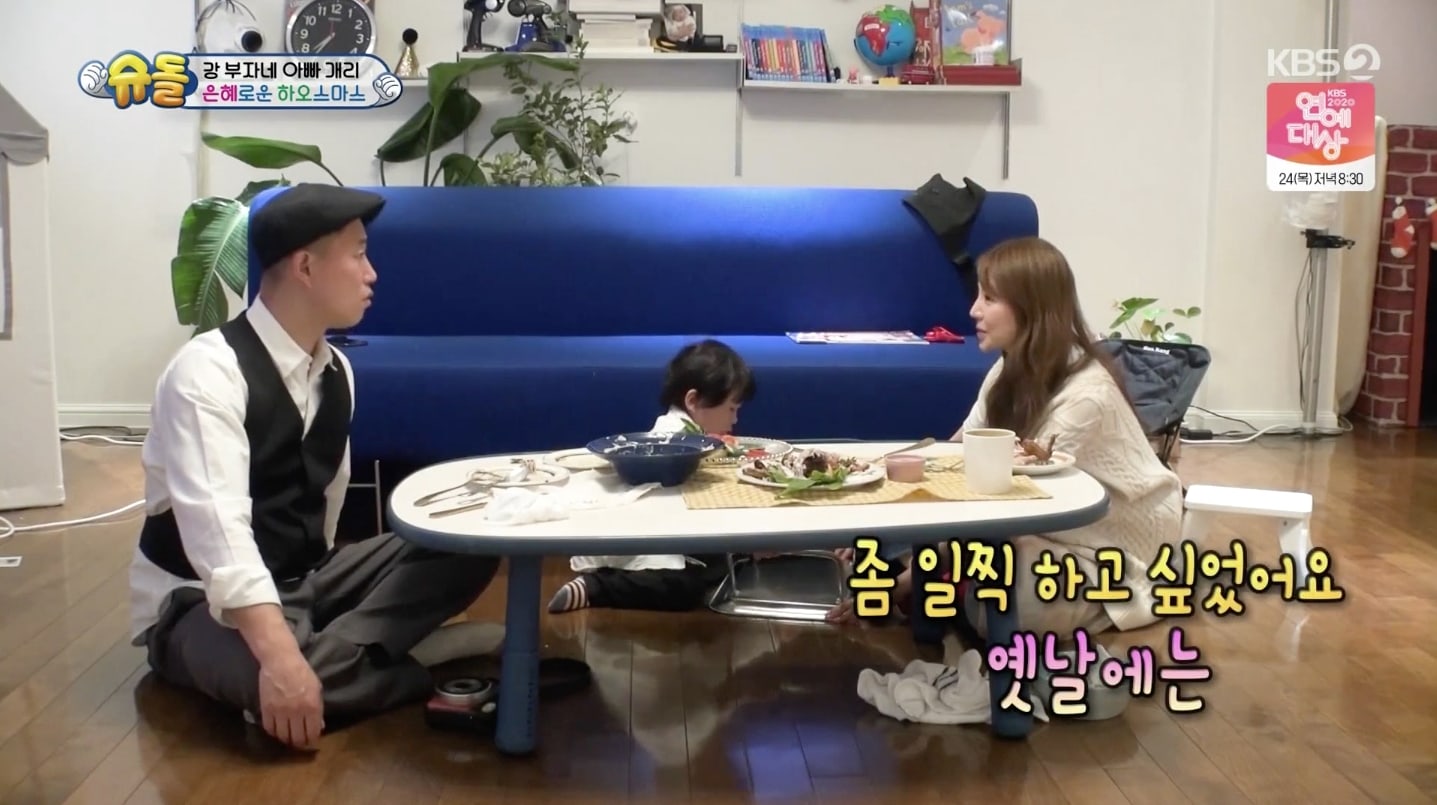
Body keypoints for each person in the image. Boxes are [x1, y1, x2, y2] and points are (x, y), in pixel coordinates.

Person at [128, 183, 503, 752]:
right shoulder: (206, 374)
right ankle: (397, 658)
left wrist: (313, 601)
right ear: (305, 267)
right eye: (359, 254)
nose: (372, 273)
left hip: (302, 580)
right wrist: (281, 659)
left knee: (468, 540)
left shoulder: (337, 373)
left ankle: (329, 656)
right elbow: (218, 538)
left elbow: (323, 517)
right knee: (274, 683)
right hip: (196, 601)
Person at [826, 236, 1184, 641]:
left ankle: (941, 587)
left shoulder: (1087, 396)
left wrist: (894, 588)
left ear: (1031, 308)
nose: (973, 310)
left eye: (990, 298)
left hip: (1110, 545)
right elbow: (952, 452)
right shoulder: (1008, 367)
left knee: (1006, 591)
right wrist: (875, 513)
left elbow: (1009, 508)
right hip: (1034, 522)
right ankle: (939, 582)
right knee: (902, 543)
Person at [547, 338, 757, 613]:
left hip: (669, 534)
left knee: (729, 560)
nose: (735, 420)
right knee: (687, 587)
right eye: (731, 408)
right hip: (644, 539)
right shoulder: (674, 441)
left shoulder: (695, 437)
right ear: (693, 401)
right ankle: (595, 587)